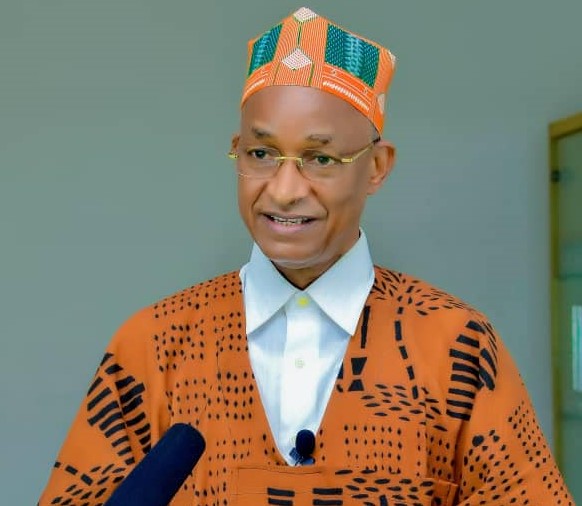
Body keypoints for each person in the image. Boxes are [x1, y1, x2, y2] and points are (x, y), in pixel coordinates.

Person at [39, 7, 573, 505]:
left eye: (321, 158)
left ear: (377, 167)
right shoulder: (152, 347)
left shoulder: (456, 346)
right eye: (261, 153)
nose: (284, 190)